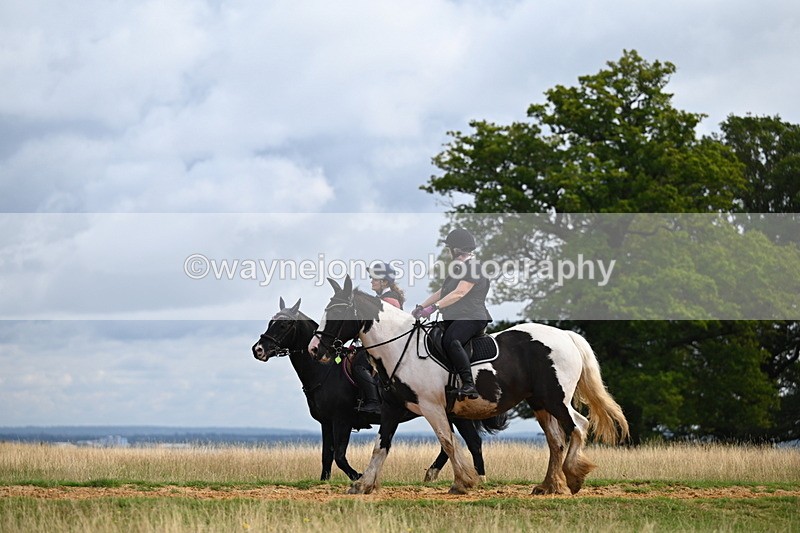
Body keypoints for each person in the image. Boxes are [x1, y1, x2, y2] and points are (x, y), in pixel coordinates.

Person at [412, 229, 491, 400]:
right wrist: (421, 306)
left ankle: (469, 384)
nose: (447, 252)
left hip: (472, 317)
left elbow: (459, 293)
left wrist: (433, 308)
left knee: (451, 340)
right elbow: (443, 292)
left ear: (456, 250)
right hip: (457, 317)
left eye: (449, 248)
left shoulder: (474, 267)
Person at [353, 262, 406, 414]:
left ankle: (373, 401)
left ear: (385, 282)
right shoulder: (383, 297)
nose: (371, 280)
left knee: (359, 365)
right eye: (371, 278)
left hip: (388, 346)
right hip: (381, 344)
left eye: (375, 278)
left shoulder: (389, 300)